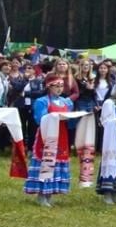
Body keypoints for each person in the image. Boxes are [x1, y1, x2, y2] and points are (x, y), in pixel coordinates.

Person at [25, 72, 77, 206]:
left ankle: (51, 192)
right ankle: (42, 194)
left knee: (58, 161)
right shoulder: (42, 101)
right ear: (49, 86)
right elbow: (39, 119)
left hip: (62, 135)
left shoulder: (66, 101)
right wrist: (54, 116)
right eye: (56, 86)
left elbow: (70, 121)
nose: (59, 88)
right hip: (47, 135)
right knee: (47, 161)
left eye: (61, 86)